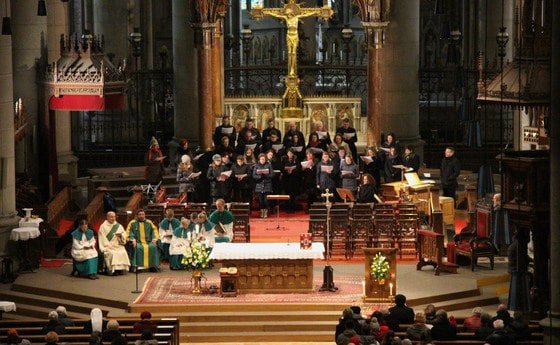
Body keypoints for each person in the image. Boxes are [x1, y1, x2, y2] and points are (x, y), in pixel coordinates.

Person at [98, 211, 130, 275]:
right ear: (107, 217)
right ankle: (112, 270)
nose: (113, 218)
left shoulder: (118, 226)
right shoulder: (103, 227)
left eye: (114, 217)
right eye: (111, 217)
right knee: (113, 253)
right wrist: (109, 246)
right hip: (107, 246)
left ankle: (120, 269)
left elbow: (124, 234)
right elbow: (102, 238)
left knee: (123, 251)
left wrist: (121, 236)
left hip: (117, 244)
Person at [253, 153, 274, 218]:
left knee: (266, 200)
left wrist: (266, 175)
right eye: (261, 159)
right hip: (259, 184)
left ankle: (266, 211)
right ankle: (261, 211)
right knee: (260, 200)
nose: (262, 160)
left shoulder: (269, 165)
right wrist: (260, 176)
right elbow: (253, 175)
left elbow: (272, 175)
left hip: (267, 184)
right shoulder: (256, 165)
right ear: (259, 159)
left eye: (263, 159)